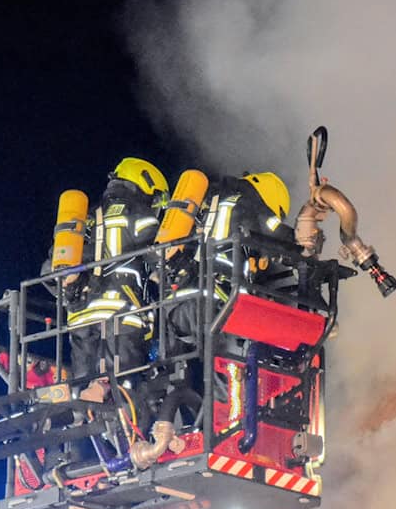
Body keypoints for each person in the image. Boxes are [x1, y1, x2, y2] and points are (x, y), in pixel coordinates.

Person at [162, 170, 293, 358]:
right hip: (210, 301)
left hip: (178, 304)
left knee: (202, 367)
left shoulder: (211, 205)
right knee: (233, 364)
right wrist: (302, 243)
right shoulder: (249, 202)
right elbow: (278, 233)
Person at [65, 157, 167, 386]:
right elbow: (160, 255)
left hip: (80, 316)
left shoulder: (86, 219)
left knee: (84, 390)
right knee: (124, 388)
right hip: (121, 314)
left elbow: (53, 269)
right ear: (146, 184)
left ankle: (83, 416)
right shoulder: (139, 214)